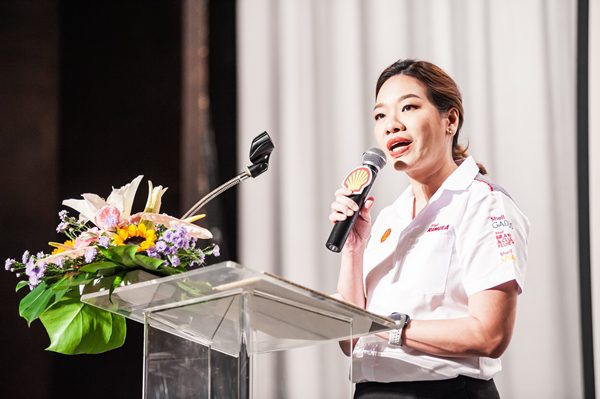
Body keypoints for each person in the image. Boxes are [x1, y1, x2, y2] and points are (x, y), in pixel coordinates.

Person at [329, 59, 529, 399]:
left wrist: (389, 327)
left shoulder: (483, 204)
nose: (391, 125)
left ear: (450, 120)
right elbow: (351, 340)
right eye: (380, 115)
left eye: (408, 107)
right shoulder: (390, 217)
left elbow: (490, 335)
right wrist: (353, 248)